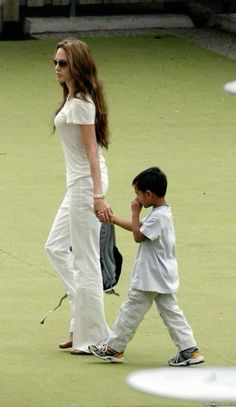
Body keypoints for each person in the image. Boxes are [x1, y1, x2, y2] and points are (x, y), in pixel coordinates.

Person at [89, 167, 205, 365]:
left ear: (149, 194)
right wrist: (113, 219)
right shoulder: (161, 213)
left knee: (130, 311)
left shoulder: (158, 216)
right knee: (171, 312)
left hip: (149, 277)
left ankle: (114, 349)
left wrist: (134, 212)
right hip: (162, 276)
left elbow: (138, 235)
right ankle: (189, 350)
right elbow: (140, 228)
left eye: (138, 194)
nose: (137, 199)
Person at [45, 38, 112, 355]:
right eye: (55, 62)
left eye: (63, 63)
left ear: (77, 66)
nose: (57, 68)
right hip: (77, 184)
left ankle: (95, 337)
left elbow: (92, 153)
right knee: (55, 246)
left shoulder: (83, 103)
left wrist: (98, 195)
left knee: (87, 262)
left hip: (87, 185)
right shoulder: (73, 98)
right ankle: (80, 320)